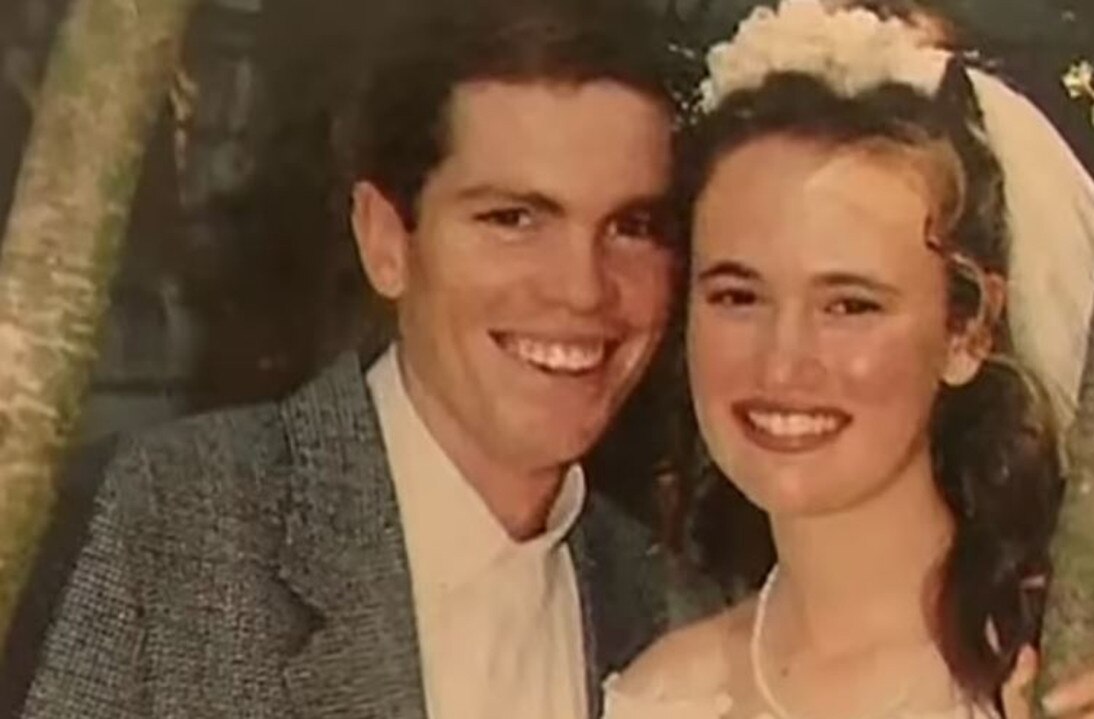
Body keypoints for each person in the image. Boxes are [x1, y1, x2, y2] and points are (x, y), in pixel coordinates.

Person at [603, 2, 1094, 717]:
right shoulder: (660, 693)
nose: (782, 362)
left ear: (967, 331)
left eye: (850, 305)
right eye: (739, 296)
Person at [15, 0, 687, 716]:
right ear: (385, 241)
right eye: (513, 218)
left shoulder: (667, 609)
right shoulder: (169, 528)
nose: (582, 288)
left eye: (631, 226)